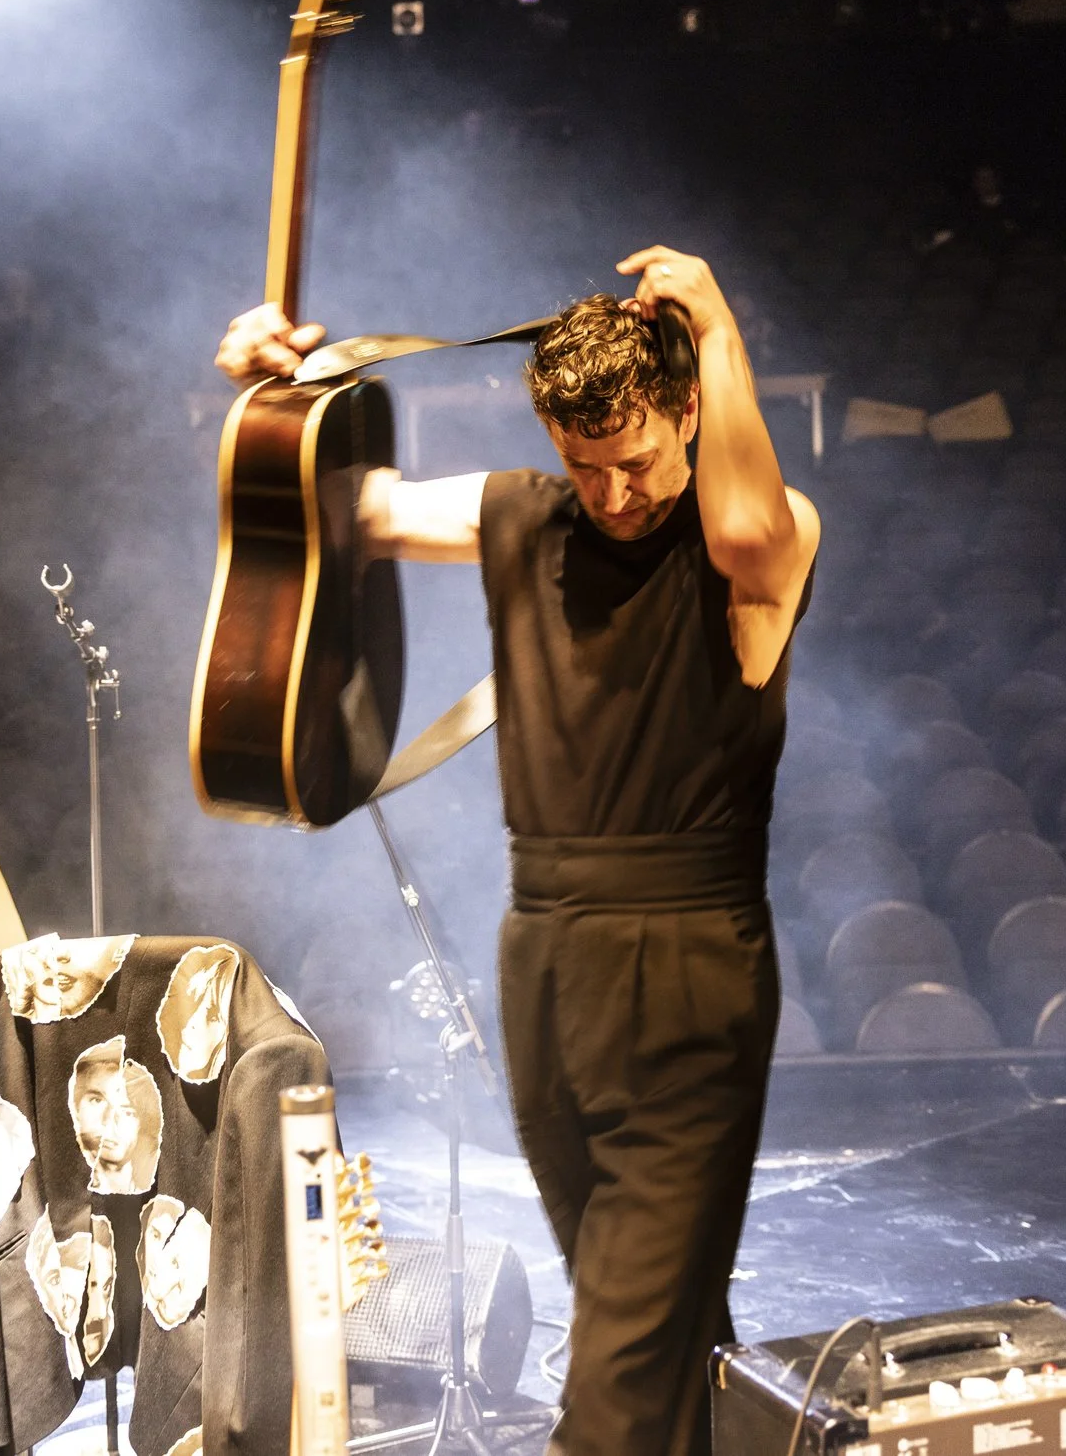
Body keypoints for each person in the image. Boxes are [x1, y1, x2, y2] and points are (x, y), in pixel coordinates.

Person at [215, 247, 819, 1456]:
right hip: (543, 962)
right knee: (647, 1313)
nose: (613, 492)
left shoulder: (754, 544)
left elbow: (749, 517)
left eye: (636, 458)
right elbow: (346, 508)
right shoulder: (526, 515)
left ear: (687, 410)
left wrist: (716, 322)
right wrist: (275, 393)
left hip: (688, 967)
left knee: (616, 1360)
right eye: (583, 463)